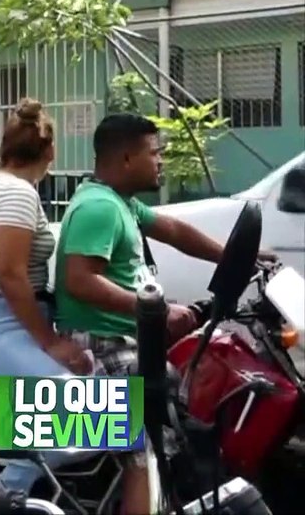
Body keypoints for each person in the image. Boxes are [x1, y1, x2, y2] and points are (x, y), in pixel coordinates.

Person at [54, 113, 277, 514]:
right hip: (98, 345)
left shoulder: (122, 203)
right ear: (125, 159)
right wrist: (153, 308)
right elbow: (80, 281)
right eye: (154, 153)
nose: (160, 162)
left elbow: (174, 231)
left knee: (187, 411)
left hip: (127, 340)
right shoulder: (98, 208)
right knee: (148, 449)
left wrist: (240, 257)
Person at [0, 100, 91, 496]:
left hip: (9, 319)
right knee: (85, 417)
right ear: (50, 151)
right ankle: (0, 498)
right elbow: (10, 276)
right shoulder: (17, 194)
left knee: (103, 395)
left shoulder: (6, 185)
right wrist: (50, 341)